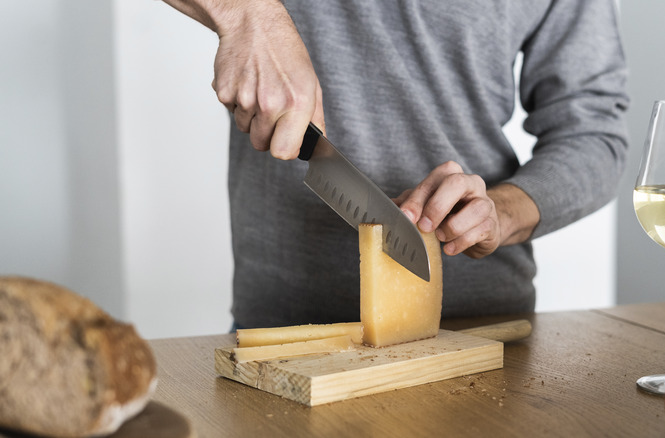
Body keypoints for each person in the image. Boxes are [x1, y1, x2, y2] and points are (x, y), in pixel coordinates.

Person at [161, 0, 629, 328]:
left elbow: (593, 133)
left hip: (476, 333)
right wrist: (247, 13)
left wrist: (501, 213)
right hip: (280, 331)